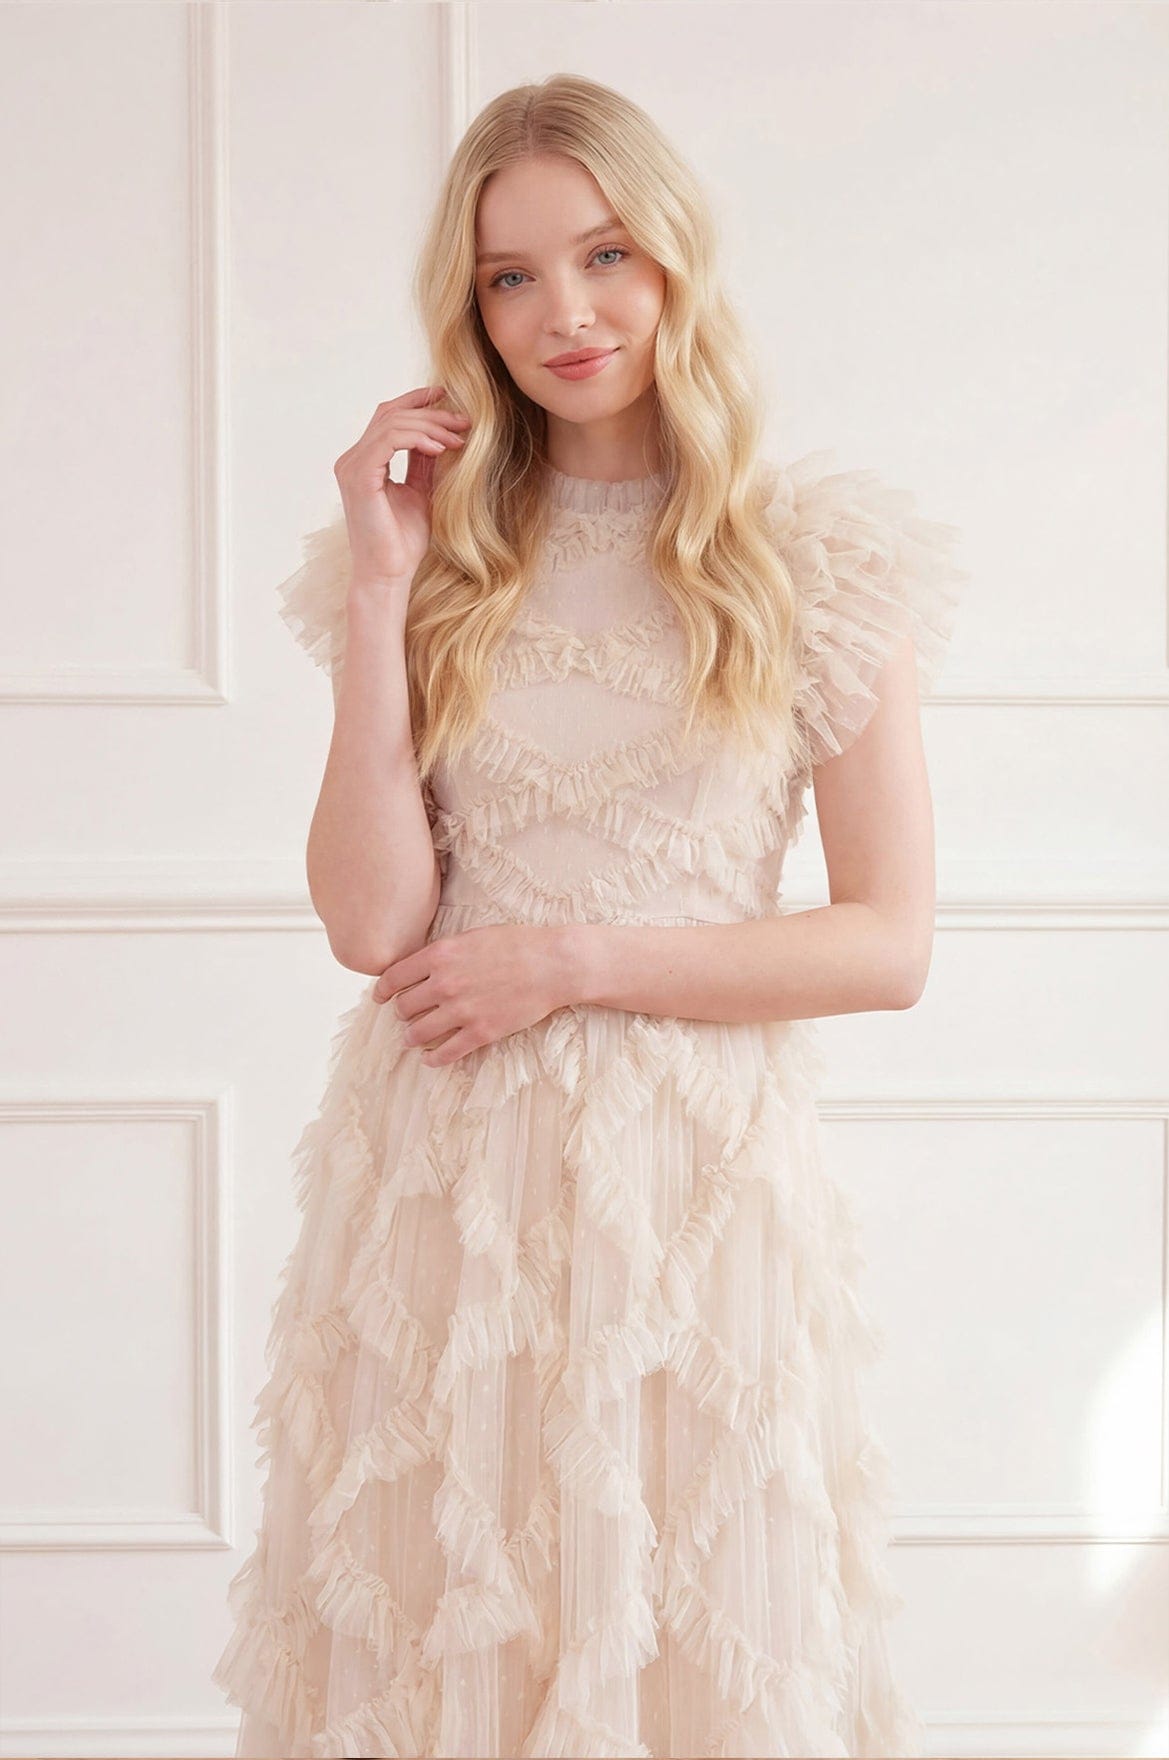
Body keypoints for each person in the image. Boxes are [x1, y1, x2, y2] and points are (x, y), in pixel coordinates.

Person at [212, 71, 966, 1760]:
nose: (565, 311)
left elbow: (886, 942)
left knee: (695, 1637)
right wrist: (386, 588)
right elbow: (370, 922)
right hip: (443, 1179)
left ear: (674, 257)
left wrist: (568, 962)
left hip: (693, 1183)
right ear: (470, 308)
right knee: (438, 1641)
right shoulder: (433, 560)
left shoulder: (811, 560)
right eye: (512, 276)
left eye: (605, 254)